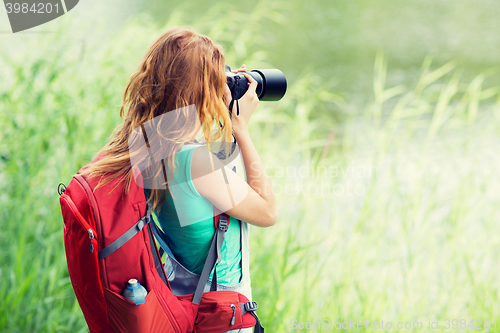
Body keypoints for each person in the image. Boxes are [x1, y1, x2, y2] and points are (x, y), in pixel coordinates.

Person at [82, 26, 277, 332]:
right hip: (220, 317)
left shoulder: (145, 147)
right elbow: (268, 212)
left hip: (183, 306)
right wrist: (241, 130)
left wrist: (224, 122)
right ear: (200, 91)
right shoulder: (197, 163)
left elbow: (204, 189)